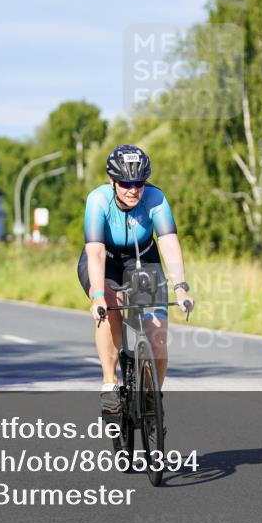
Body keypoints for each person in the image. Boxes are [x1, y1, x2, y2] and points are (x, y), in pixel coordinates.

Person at [78, 144, 193, 422]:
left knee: (158, 338)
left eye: (139, 183)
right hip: (105, 261)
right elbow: (94, 252)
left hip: (143, 259)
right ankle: (109, 383)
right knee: (111, 307)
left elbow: (168, 242)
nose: (133, 189)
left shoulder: (155, 198)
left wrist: (180, 286)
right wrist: (97, 296)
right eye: (126, 183)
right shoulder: (98, 201)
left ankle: (153, 399)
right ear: (112, 181)